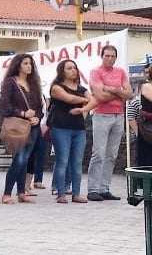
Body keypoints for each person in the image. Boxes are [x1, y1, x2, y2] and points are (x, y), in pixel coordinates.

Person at [87, 45, 132, 201]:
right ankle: (93, 189)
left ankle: (104, 188)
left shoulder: (121, 72)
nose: (110, 58)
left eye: (113, 56)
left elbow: (129, 94)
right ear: (102, 56)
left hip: (118, 116)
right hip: (101, 115)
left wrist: (110, 89)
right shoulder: (95, 72)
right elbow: (99, 96)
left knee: (111, 155)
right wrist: (119, 91)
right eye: (107, 56)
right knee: (98, 153)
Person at [0, 54, 44, 205]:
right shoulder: (10, 82)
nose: (29, 66)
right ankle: (6, 193)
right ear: (18, 65)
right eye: (25, 63)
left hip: (33, 127)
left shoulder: (34, 83)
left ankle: (21, 193)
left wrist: (37, 117)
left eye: (30, 63)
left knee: (25, 160)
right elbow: (5, 106)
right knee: (19, 159)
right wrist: (23, 114)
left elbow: (39, 106)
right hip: (18, 126)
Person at [49, 59, 93, 204]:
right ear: (62, 71)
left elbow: (94, 100)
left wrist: (83, 109)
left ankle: (76, 194)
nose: (73, 70)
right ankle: (61, 193)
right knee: (63, 160)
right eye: (69, 68)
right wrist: (85, 101)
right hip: (60, 128)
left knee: (77, 162)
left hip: (78, 129)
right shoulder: (56, 87)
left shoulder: (82, 88)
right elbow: (69, 98)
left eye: (74, 67)